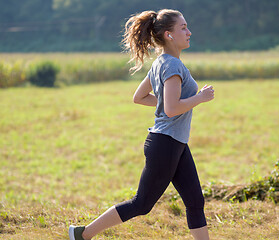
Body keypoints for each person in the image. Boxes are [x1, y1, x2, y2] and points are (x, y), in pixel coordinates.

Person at [69, 9, 214, 240]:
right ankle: (82, 234)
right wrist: (200, 98)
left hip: (174, 142)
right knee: (142, 204)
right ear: (168, 35)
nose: (189, 32)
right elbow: (172, 109)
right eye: (183, 27)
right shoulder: (173, 66)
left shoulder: (162, 63)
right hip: (165, 144)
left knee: (195, 201)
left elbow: (140, 97)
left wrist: (170, 101)